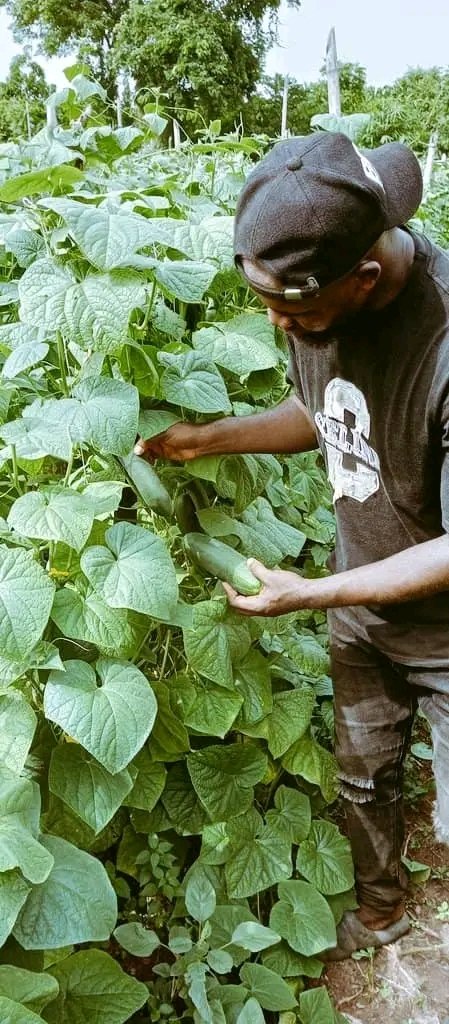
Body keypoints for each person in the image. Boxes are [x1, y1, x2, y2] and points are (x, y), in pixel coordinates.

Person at [135, 131, 449, 960]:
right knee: (362, 773)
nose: (278, 323)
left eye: (295, 311)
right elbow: (328, 409)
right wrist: (210, 437)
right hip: (363, 601)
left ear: (366, 277)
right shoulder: (319, 289)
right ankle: (381, 912)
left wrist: (307, 593)